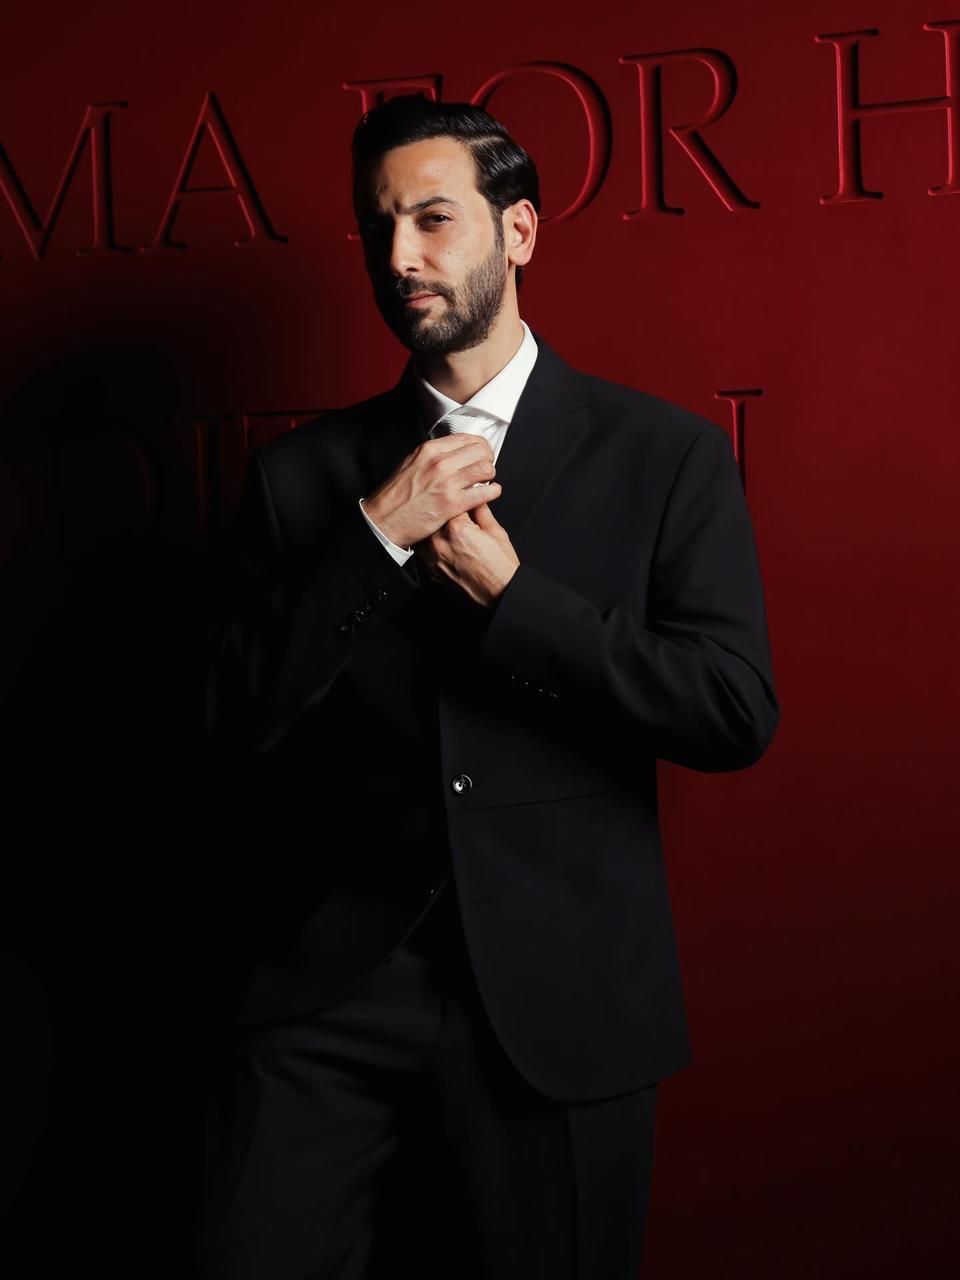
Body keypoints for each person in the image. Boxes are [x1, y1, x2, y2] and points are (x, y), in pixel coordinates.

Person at [195, 93, 780, 1280]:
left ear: (518, 231)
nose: (399, 255)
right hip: (329, 994)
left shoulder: (665, 454)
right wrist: (371, 538)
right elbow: (229, 719)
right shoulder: (301, 478)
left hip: (563, 996)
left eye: (432, 219)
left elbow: (731, 707)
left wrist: (519, 602)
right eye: (378, 226)